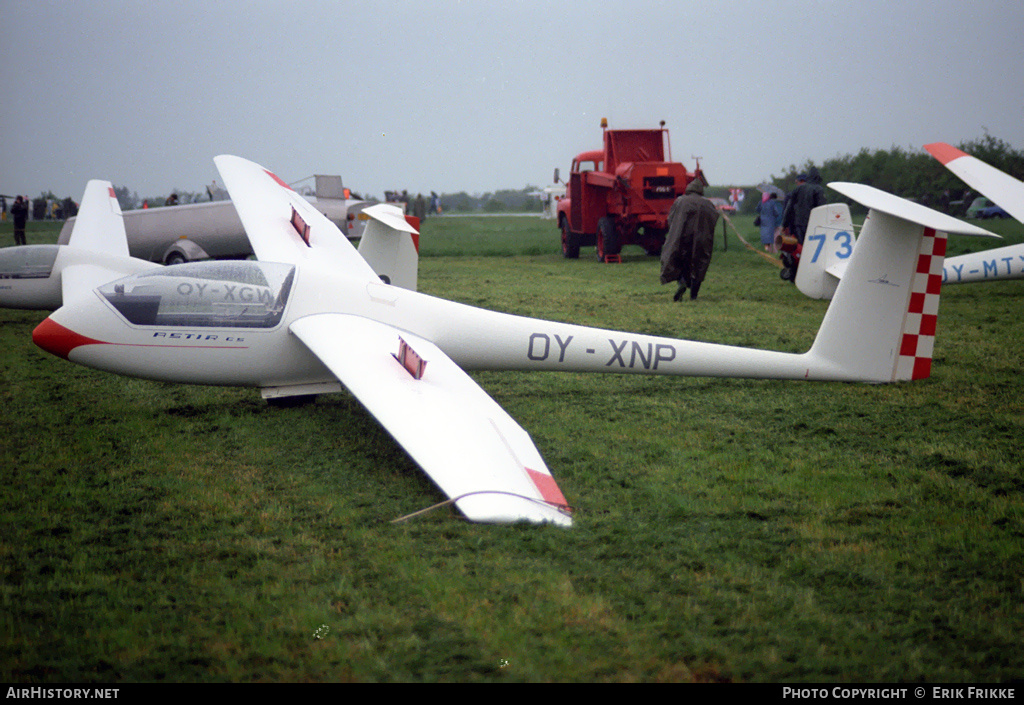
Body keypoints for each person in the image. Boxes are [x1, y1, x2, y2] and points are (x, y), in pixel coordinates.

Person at [660, 178, 720, 301]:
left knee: (678, 260)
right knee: (700, 264)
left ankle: (681, 281)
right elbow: (713, 219)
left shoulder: (680, 201)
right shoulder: (707, 203)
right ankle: (694, 295)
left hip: (682, 237)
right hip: (702, 239)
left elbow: (671, 219)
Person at [781, 167, 826, 244]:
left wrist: (784, 224)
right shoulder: (819, 189)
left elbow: (789, 207)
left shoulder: (798, 188)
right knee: (812, 245)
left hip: (798, 224)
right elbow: (822, 209)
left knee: (802, 246)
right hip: (813, 224)